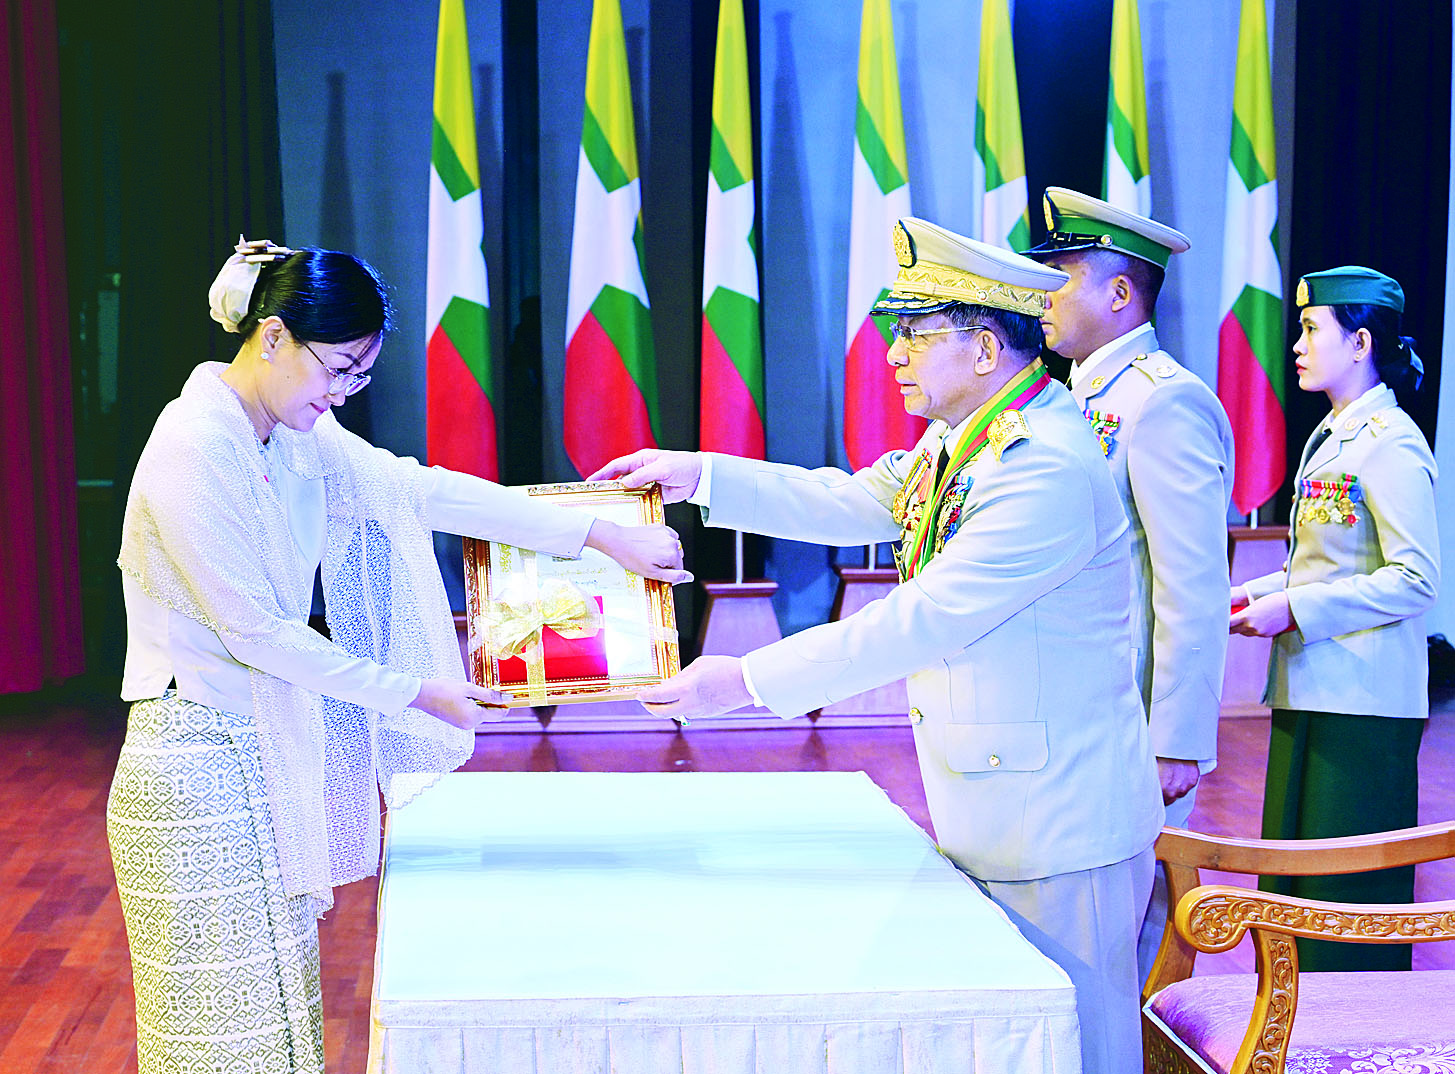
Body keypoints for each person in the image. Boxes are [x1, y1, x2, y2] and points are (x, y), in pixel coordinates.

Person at [595, 218, 1164, 1074]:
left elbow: (920, 620)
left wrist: (743, 680)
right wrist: (699, 475)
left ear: (983, 349)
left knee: (1076, 1040)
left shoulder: (1040, 463)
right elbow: (854, 500)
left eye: (915, 336)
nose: (893, 355)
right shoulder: (970, 434)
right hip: (1004, 794)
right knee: (1016, 1037)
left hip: (1056, 819)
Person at [107, 238, 688, 1074]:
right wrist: (416, 692)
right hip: (195, 767)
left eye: (360, 376)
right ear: (272, 336)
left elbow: (422, 490)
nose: (342, 393)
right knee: (216, 1035)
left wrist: (598, 533)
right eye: (338, 369)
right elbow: (257, 633)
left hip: (265, 750)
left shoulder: (298, 435)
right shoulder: (194, 444)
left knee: (280, 1020)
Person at [1021, 186, 1235, 976]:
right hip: (1069, 704)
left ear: (1118, 293)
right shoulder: (1071, 397)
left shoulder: (1162, 401)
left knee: (1122, 931)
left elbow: (1191, 583)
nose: (1042, 297)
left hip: (1126, 713)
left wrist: (1177, 737)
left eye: (1062, 279)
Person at [1232, 265, 1438, 971]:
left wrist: (1294, 608)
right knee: (1291, 896)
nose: (1296, 344)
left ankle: (1348, 1026)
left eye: (1310, 328)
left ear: (1359, 342)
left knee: (1343, 909)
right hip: (1311, 691)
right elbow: (1324, 564)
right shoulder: (1334, 432)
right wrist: (1250, 594)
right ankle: (1285, 1023)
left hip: (1362, 706)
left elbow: (1416, 580)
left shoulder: (1392, 441)